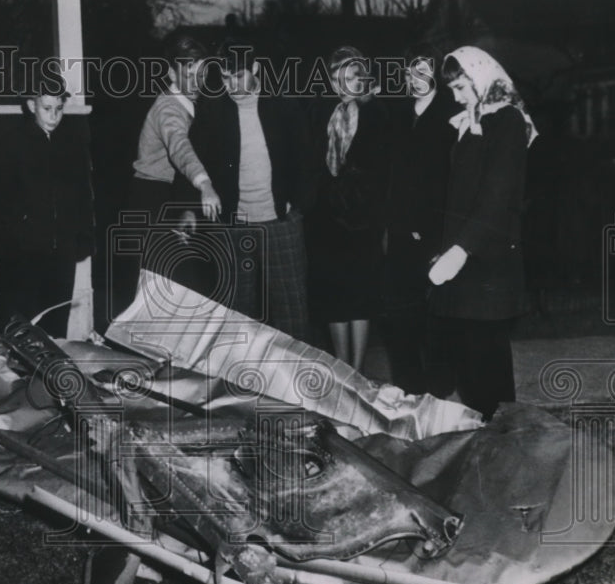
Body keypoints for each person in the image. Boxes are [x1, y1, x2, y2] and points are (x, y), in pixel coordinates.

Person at [174, 39, 317, 341]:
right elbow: (193, 160)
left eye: (238, 75)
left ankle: (294, 383)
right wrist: (188, 207)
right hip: (233, 223)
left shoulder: (285, 105)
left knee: (292, 310)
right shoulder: (212, 110)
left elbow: (305, 159)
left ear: (256, 69)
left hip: (280, 220)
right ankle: (239, 383)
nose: (231, 84)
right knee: (235, 314)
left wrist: (297, 203)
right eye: (225, 77)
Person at [427, 46, 537, 419]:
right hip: (464, 261)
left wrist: (460, 249)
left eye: (461, 88)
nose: (456, 97)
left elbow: (496, 196)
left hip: (488, 261)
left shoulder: (507, 121)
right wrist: (446, 248)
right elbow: (458, 197)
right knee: (471, 370)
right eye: (453, 90)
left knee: (491, 376)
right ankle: (485, 449)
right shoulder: (469, 122)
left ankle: (505, 447)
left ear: (481, 78)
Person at [0, 63, 94, 337]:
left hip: (60, 258)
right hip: (23, 260)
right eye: (47, 109)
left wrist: (83, 237)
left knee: (55, 332)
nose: (54, 116)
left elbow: (83, 196)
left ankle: (50, 379)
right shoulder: (11, 145)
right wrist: (8, 248)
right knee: (21, 333)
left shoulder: (72, 145)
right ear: (31, 105)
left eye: (59, 109)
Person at [115, 34, 221, 311]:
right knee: (153, 293)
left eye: (201, 74)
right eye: (188, 75)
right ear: (171, 73)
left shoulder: (194, 105)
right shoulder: (168, 108)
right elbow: (180, 147)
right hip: (149, 201)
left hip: (166, 198)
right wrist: (205, 184)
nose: (196, 82)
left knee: (177, 290)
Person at [306, 46, 393, 371]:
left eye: (354, 75)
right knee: (333, 297)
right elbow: (311, 162)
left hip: (362, 218)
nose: (346, 82)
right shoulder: (318, 112)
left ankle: (357, 370)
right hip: (326, 220)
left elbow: (383, 169)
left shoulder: (377, 114)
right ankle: (342, 368)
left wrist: (372, 210)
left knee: (360, 296)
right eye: (339, 76)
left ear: (363, 78)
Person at [379, 44, 459, 394]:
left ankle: (439, 394)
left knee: (436, 321)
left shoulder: (450, 116)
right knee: (400, 319)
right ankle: (408, 392)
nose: (416, 80)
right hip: (398, 234)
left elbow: (450, 179)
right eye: (411, 72)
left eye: (423, 72)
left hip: (433, 233)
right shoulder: (398, 115)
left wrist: (430, 230)